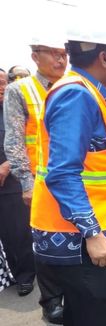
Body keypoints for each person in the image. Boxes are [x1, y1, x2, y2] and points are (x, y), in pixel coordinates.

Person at [30, 22, 106, 326]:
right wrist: (92, 233)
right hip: (81, 240)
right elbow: (62, 174)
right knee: (97, 314)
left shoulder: (89, 93)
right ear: (104, 57)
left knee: (82, 313)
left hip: (84, 237)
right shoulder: (76, 95)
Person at [3, 34, 67, 324]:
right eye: (52, 53)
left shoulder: (75, 86)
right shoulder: (21, 90)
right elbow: (15, 140)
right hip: (39, 180)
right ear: (35, 57)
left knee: (75, 235)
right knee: (45, 241)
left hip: (75, 178)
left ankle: (74, 291)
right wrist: (26, 183)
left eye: (63, 53)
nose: (60, 59)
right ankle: (51, 299)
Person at [0, 68, 28, 297]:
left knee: (17, 232)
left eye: (3, 82)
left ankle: (25, 276)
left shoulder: (16, 107)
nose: (1, 88)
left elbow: (28, 140)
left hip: (12, 180)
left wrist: (8, 165)